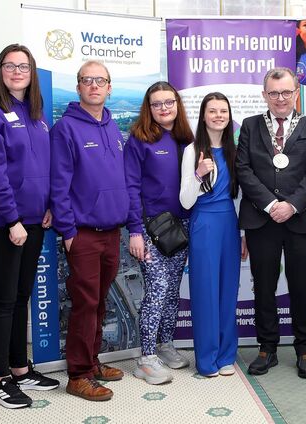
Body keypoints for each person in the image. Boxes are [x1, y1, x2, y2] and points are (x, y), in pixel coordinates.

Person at [0, 44, 59, 409]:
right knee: (4, 299)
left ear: (31, 71)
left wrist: (47, 206)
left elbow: (44, 165)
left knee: (22, 296)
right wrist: (13, 219)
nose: (17, 70)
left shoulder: (35, 114)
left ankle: (21, 369)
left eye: (24, 65)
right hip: (3, 223)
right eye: (10, 65)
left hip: (34, 220)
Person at [236, 67, 306, 379]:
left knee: (301, 286)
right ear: (265, 96)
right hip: (262, 219)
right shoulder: (249, 126)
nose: (280, 98)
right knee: (263, 286)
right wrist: (272, 204)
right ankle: (267, 348)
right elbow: (243, 169)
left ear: (296, 93)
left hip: (299, 218)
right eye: (273, 93)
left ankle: (304, 349)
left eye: (286, 92)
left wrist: (292, 205)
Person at [50, 60, 129, 401]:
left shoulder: (112, 126)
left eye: (101, 80)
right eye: (87, 80)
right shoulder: (65, 128)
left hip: (112, 231)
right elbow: (59, 184)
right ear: (78, 87)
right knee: (84, 304)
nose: (94, 85)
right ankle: (78, 374)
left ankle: (92, 361)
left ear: (109, 87)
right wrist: (68, 231)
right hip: (82, 233)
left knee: (99, 304)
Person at [125, 81, 194, 385]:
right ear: (148, 108)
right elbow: (130, 188)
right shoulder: (139, 140)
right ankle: (146, 358)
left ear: (177, 105)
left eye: (169, 102)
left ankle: (165, 345)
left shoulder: (187, 139)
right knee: (156, 290)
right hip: (151, 229)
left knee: (172, 291)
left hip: (182, 228)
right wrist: (135, 231)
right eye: (157, 104)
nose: (164, 108)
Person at [179, 92, 248, 377]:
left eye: (224, 111)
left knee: (228, 291)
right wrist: (198, 174)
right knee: (206, 292)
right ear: (204, 116)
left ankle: (226, 356)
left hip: (229, 225)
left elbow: (241, 196)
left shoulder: (235, 150)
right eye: (213, 111)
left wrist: (243, 234)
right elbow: (185, 201)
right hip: (204, 223)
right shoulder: (193, 150)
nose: (219, 115)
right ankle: (206, 360)